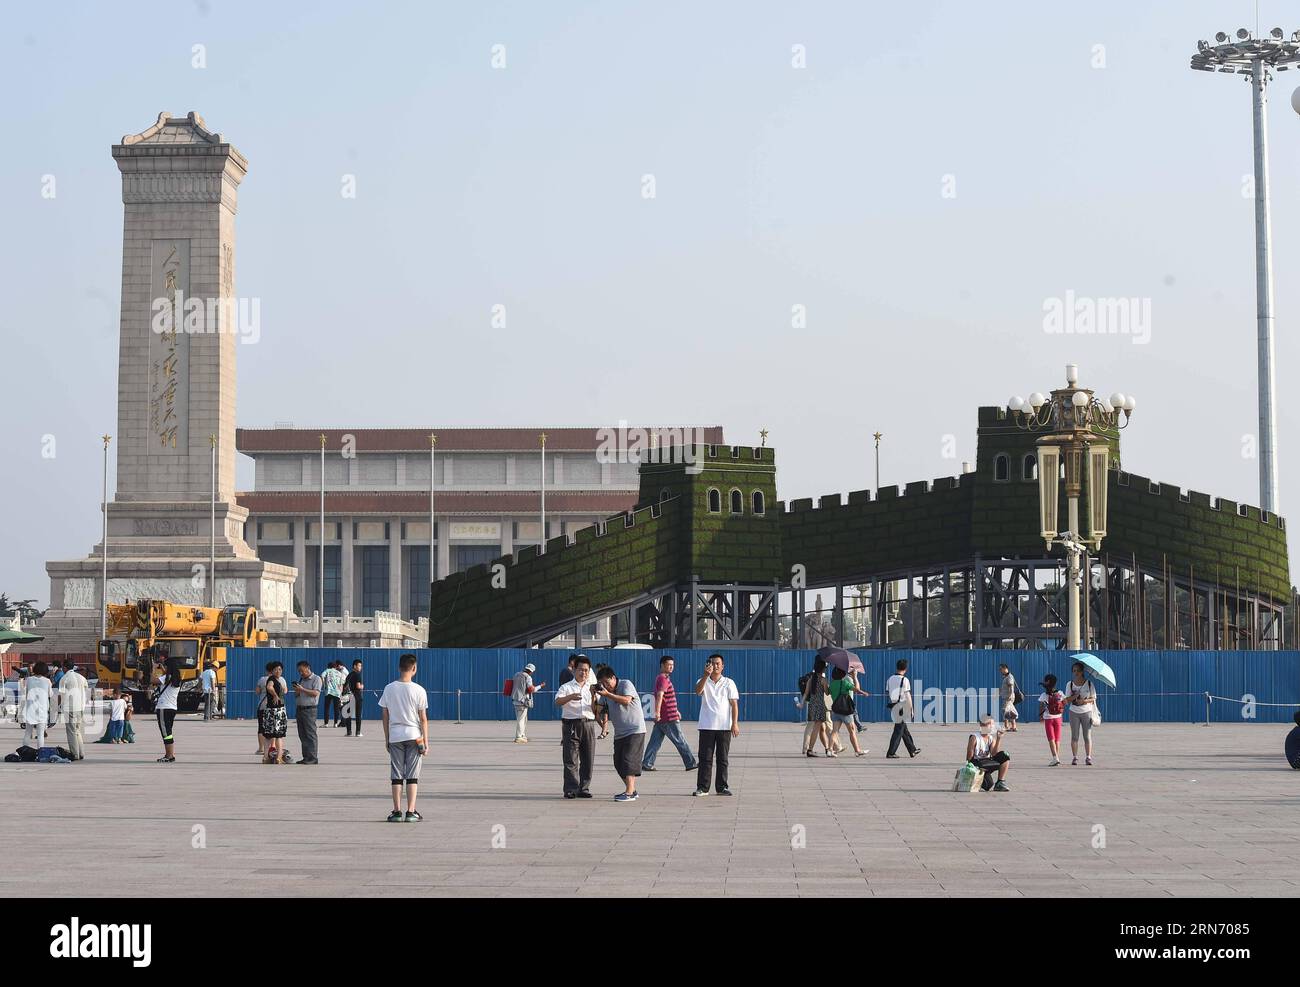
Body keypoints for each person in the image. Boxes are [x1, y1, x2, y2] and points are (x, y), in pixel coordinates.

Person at [379, 653, 429, 822]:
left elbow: (385, 715)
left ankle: (396, 811)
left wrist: (387, 738)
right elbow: (423, 718)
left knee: (397, 774)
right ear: (414, 668)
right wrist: (426, 742)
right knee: (413, 775)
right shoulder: (419, 690)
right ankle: (411, 811)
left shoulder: (389, 688)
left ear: (399, 667)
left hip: (395, 736)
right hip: (414, 736)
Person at [594, 664, 646, 801]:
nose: (605, 685)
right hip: (620, 733)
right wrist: (593, 694)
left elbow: (626, 701)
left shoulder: (625, 684)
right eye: (602, 683)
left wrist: (607, 694)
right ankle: (632, 790)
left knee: (628, 760)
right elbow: (598, 710)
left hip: (635, 730)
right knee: (618, 763)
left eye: (606, 682)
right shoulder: (605, 693)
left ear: (613, 677)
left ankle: (629, 793)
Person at [693, 653, 739, 796]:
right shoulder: (702, 680)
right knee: (705, 758)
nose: (715, 666)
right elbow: (698, 691)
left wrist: (735, 724)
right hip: (707, 725)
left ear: (723, 666)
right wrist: (706, 675)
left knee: (722, 758)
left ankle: (722, 787)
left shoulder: (729, 682)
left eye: (718, 663)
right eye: (712, 663)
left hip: (724, 726)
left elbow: (734, 704)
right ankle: (703, 787)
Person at [642, 655, 697, 771]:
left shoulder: (663, 678)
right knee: (679, 739)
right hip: (668, 717)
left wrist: (676, 710)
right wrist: (657, 713)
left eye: (672, 665)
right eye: (669, 665)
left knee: (655, 741)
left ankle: (647, 763)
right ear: (662, 665)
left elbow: (667, 697)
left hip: (666, 715)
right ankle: (690, 763)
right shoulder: (662, 678)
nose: (671, 667)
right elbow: (660, 695)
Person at [554, 653, 597, 798]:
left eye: (586, 670)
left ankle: (584, 788)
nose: (583, 673)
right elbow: (558, 701)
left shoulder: (592, 687)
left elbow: (597, 708)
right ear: (574, 670)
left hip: (589, 724)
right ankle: (571, 789)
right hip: (571, 724)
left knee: (588, 758)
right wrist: (570, 697)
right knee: (571, 758)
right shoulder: (566, 687)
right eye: (580, 669)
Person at [828, 666, 869, 757]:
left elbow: (828, 692)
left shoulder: (832, 684)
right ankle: (857, 750)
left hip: (835, 710)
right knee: (852, 731)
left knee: (834, 731)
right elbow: (857, 690)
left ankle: (830, 750)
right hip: (845, 710)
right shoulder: (844, 683)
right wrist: (855, 677)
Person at [885, 658, 921, 758]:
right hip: (902, 706)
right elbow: (908, 695)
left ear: (897, 667)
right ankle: (891, 752)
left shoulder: (890, 679)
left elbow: (887, 692)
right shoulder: (905, 680)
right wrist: (911, 709)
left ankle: (912, 749)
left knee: (903, 729)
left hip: (893, 705)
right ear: (905, 669)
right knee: (898, 730)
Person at [1064, 661, 1098, 766]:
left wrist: (1084, 701)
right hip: (1073, 711)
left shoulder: (1089, 683)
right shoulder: (1069, 684)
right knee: (1074, 736)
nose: (1076, 672)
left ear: (1082, 671)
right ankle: (1075, 757)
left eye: (1078, 670)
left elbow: (1093, 698)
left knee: (1087, 735)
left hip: (1086, 711)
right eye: (1074, 671)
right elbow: (1066, 700)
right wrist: (1074, 696)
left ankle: (1088, 757)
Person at [965, 714, 1011, 791]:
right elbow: (969, 757)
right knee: (988, 785)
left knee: (1004, 755)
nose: (993, 727)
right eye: (991, 724)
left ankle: (1000, 782)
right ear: (982, 725)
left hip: (987, 763)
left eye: (993, 724)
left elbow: (994, 754)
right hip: (977, 764)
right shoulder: (974, 737)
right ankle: (974, 779)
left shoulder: (991, 738)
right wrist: (970, 770)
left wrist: (998, 739)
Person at [799, 657, 833, 757]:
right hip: (820, 705)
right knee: (816, 729)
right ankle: (810, 750)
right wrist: (828, 686)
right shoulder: (823, 680)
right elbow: (827, 693)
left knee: (818, 728)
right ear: (823, 669)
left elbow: (805, 693)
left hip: (812, 704)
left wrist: (802, 703)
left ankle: (826, 749)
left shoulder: (810, 679)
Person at [256, 660, 289, 760]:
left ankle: (265, 756)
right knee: (278, 735)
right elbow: (270, 687)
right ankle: (278, 757)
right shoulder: (272, 679)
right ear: (272, 671)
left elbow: (258, 691)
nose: (278, 671)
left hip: (273, 709)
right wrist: (275, 695)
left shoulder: (276, 679)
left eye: (280, 669)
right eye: (276, 669)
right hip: (275, 711)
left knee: (268, 734)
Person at [58, 659, 88, 761]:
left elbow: (61, 695)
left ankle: (75, 753)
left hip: (70, 707)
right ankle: (81, 752)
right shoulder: (82, 678)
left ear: (65, 667)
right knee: (77, 730)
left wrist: (58, 707)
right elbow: (86, 690)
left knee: (71, 731)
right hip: (80, 707)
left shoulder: (64, 678)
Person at [292, 660, 321, 765]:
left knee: (310, 734)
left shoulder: (316, 679)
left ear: (308, 668)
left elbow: (315, 693)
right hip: (300, 709)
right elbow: (297, 695)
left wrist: (302, 689)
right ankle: (306, 757)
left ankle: (313, 757)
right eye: (299, 671)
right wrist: (297, 691)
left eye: (302, 671)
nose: (301, 673)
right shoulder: (301, 680)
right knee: (302, 734)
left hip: (310, 709)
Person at [153, 657, 181, 763]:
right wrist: (163, 669)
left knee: (166, 733)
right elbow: (167, 677)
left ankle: (169, 756)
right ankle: (169, 754)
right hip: (172, 708)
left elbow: (152, 680)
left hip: (163, 708)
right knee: (168, 732)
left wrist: (153, 669)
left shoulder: (166, 678)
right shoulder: (176, 678)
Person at [510, 662, 545, 743]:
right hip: (522, 701)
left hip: (515, 699)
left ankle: (522, 735)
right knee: (521, 719)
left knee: (524, 719)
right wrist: (540, 686)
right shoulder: (528, 677)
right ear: (531, 671)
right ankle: (518, 737)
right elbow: (531, 689)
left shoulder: (516, 674)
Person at [20, 662, 52, 751]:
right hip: (42, 709)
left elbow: (25, 693)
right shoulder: (47, 681)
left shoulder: (29, 680)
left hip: (30, 708)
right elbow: (50, 694)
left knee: (28, 732)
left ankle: (24, 752)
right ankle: (40, 753)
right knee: (40, 734)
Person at [1038, 673, 1066, 766]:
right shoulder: (1060, 693)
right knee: (1057, 739)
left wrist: (1040, 716)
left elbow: (1041, 706)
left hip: (1048, 718)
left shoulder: (1043, 695)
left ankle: (1055, 758)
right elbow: (1064, 703)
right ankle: (1056, 757)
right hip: (1058, 718)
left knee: (1051, 739)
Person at [344, 659, 365, 737]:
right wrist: (362, 686)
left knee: (349, 714)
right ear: (354, 666)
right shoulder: (357, 675)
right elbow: (358, 686)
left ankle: (349, 732)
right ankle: (358, 732)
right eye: (359, 665)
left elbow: (345, 686)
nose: (360, 667)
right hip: (357, 696)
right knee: (358, 714)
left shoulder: (349, 675)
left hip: (349, 696)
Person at [322, 660, 345, 726]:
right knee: (336, 708)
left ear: (328, 667)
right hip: (337, 692)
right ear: (335, 667)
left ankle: (326, 723)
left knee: (327, 708)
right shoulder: (339, 673)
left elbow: (322, 676)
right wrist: (340, 693)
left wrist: (324, 685)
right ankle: (335, 723)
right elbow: (341, 684)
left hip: (328, 692)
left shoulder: (327, 670)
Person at [999, 663, 1019, 732]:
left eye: (1001, 669)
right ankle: (1014, 726)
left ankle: (1006, 726)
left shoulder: (1009, 677)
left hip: (1008, 697)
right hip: (1007, 696)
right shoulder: (1006, 677)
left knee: (1005, 711)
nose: (1000, 670)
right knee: (1009, 711)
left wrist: (1010, 696)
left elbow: (1011, 687)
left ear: (1005, 668)